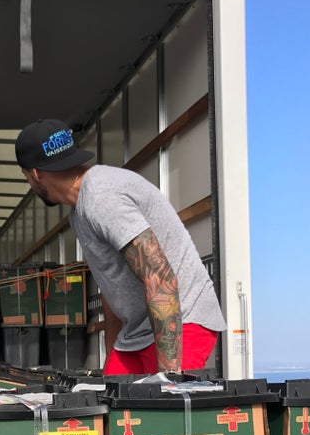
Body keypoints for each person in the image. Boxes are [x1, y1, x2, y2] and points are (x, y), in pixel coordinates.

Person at [15, 118, 226, 374]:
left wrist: (169, 382)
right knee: (108, 394)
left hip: (181, 320)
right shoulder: (79, 212)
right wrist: (109, 371)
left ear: (35, 173)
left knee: (161, 399)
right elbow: (111, 285)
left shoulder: (101, 197)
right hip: (137, 331)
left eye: (26, 177)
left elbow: (160, 277)